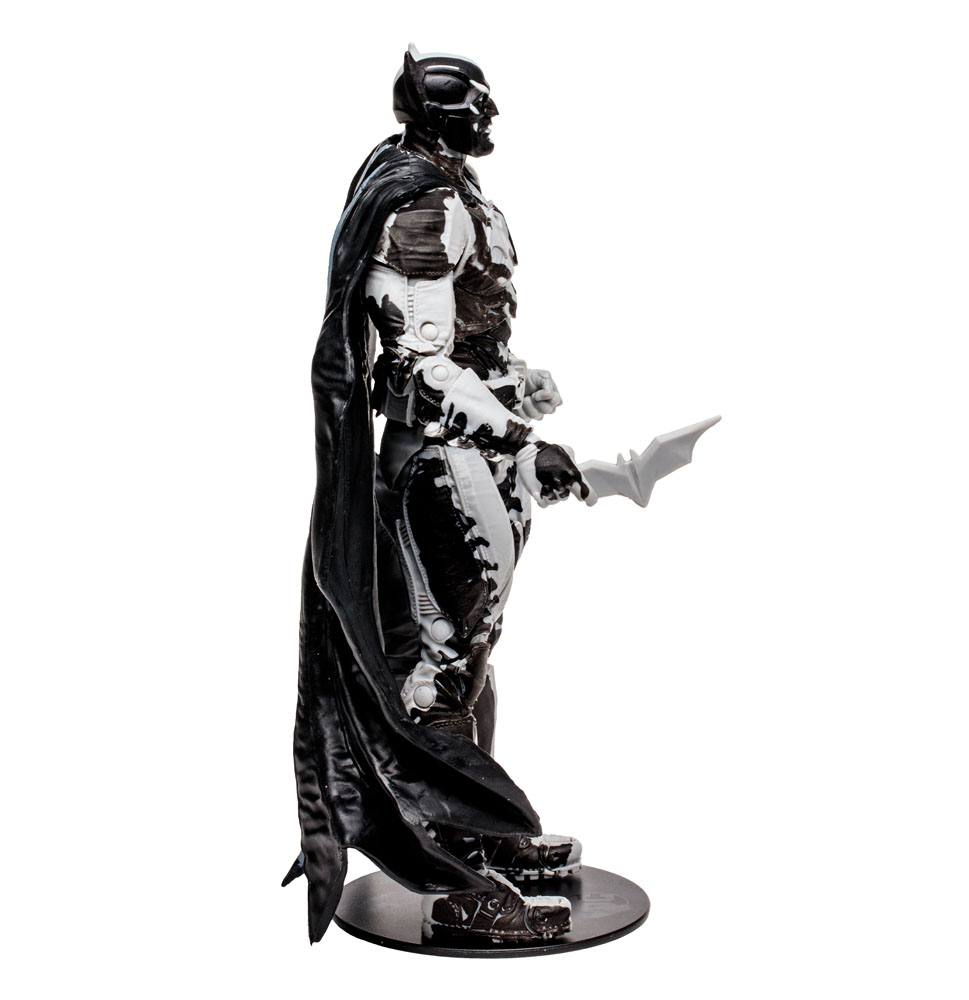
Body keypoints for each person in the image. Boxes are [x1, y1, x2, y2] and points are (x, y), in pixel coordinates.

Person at [287, 46, 584, 944]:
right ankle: (455, 874)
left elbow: (470, 342)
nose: (490, 114)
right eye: (474, 101)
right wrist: (517, 436)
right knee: (439, 662)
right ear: (438, 112)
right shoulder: (417, 205)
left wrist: (516, 384)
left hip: (476, 453)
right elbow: (417, 367)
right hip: (442, 464)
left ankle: (483, 832)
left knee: (474, 653)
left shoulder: (458, 194)